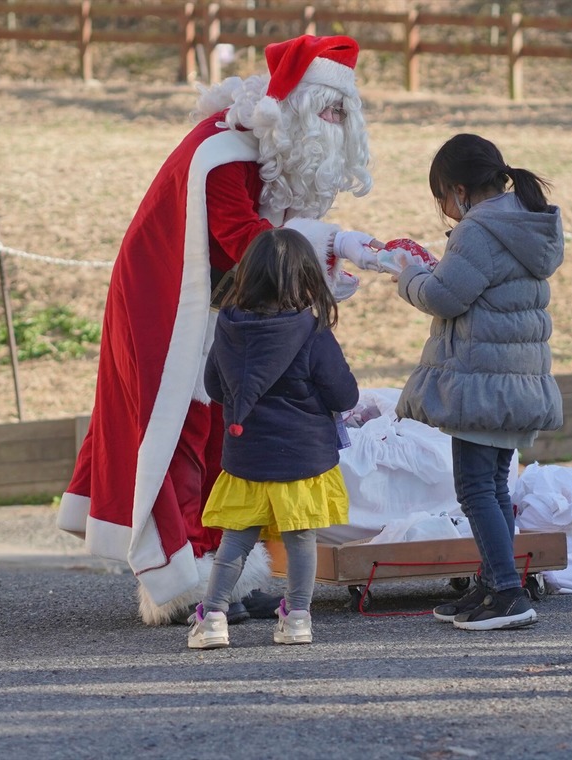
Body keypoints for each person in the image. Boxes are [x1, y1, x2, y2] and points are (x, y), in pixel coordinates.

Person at [56, 35, 386, 625]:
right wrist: (333, 248)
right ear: (292, 106)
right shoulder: (223, 153)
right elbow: (244, 237)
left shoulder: (266, 152)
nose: (334, 124)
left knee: (219, 430)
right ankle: (181, 580)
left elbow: (263, 236)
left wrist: (332, 253)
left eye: (342, 113)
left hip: (217, 302)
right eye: (326, 111)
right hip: (167, 301)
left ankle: (223, 577)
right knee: (180, 426)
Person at [391, 133, 564, 631]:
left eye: (442, 197)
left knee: (474, 488)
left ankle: (508, 591)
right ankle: (492, 583)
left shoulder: (479, 230)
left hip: (484, 385)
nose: (445, 210)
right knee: (490, 484)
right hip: (516, 381)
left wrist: (408, 275)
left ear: (459, 189)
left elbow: (446, 297)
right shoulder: (523, 222)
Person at [187, 227, 359, 649]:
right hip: (303, 460)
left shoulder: (228, 331)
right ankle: (297, 617)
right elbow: (344, 394)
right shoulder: (312, 333)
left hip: (247, 459)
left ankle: (212, 618)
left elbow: (212, 387)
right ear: (305, 279)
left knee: (236, 541)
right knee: (301, 540)